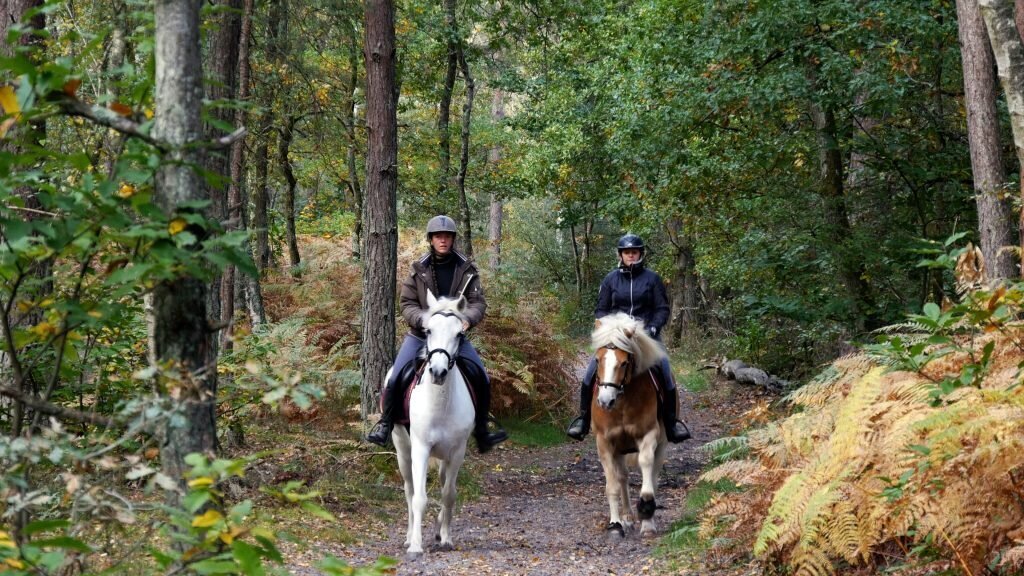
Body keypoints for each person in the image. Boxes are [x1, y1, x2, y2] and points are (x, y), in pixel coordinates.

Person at [366, 215, 509, 453]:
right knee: (395, 377)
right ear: (431, 240)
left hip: (453, 337)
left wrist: (467, 319)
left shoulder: (467, 269)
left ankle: (483, 430)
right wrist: (423, 320)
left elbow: (477, 303)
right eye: (438, 236)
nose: (443, 240)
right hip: (420, 335)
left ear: (453, 239)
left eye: (447, 236)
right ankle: (385, 424)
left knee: (482, 376)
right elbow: (407, 303)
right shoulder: (417, 269)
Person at [566, 233, 691, 443]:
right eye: (627, 253)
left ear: (640, 254)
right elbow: (601, 309)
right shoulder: (610, 279)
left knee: (666, 371)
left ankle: (671, 424)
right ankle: (583, 421)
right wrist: (605, 327)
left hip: (646, 338)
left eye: (634, 252)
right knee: (589, 374)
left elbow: (662, 309)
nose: (631, 256)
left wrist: (653, 327)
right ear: (621, 255)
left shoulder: (652, 279)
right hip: (616, 338)